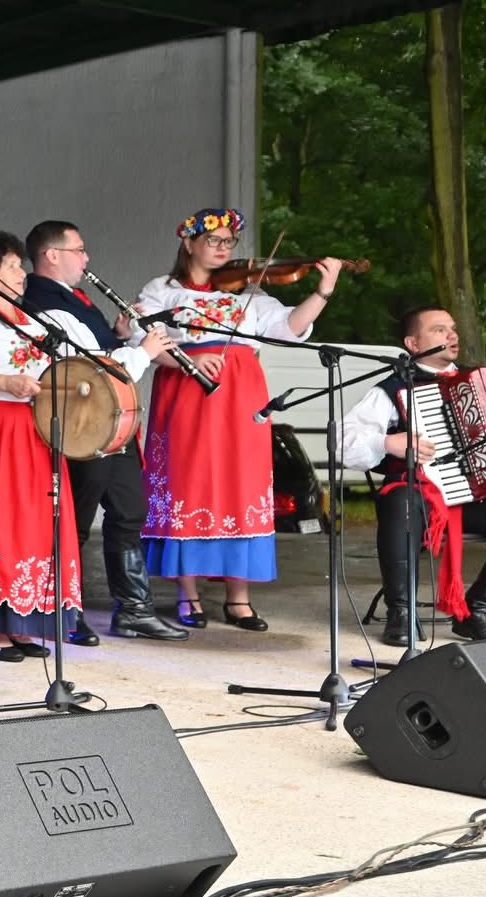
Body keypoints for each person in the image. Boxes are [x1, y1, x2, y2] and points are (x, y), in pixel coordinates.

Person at [0, 232, 143, 658]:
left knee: (36, 524)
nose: (21, 273)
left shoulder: (35, 320)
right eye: (12, 266)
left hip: (36, 430)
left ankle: (23, 620)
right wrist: (4, 382)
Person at [137, 209, 339, 632]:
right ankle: (187, 594)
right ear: (189, 242)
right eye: (214, 240)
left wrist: (323, 291)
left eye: (229, 241)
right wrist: (188, 360)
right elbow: (144, 340)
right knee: (187, 483)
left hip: (241, 395)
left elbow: (288, 327)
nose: (223, 248)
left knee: (241, 485)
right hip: (187, 393)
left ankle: (239, 598)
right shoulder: (162, 291)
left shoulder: (250, 293)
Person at [336, 306, 486, 647]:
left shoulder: (482, 383)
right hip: (420, 500)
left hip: (475, 500)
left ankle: (476, 611)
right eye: (439, 330)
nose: (452, 335)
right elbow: (341, 441)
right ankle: (401, 612)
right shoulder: (394, 387)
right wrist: (388, 442)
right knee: (400, 500)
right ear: (412, 343)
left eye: (452, 328)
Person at [21, 220, 186, 643]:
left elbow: (99, 350)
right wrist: (143, 351)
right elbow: (87, 368)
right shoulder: (43, 303)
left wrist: (120, 335)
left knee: (129, 511)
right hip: (82, 425)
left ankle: (133, 610)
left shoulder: (72, 297)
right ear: (52, 255)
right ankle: (64, 609)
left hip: (112, 422)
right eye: (79, 250)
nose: (86, 258)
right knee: (75, 519)